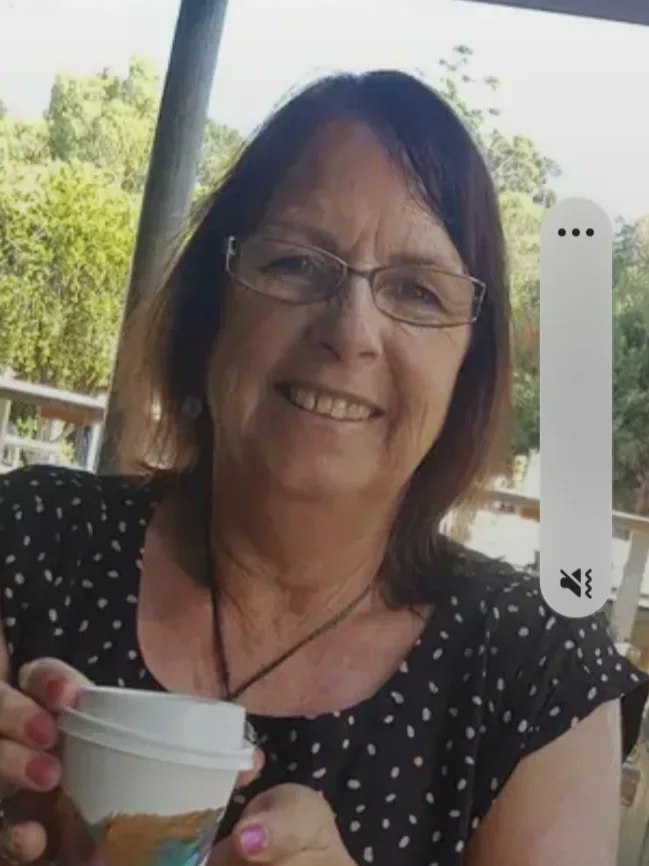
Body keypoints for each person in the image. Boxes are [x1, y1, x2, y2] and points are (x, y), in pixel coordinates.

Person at [0, 70, 646, 866]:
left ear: (465, 374)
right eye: (298, 264)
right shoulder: (27, 542)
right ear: (213, 310)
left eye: (415, 290)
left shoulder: (533, 667)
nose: (350, 331)